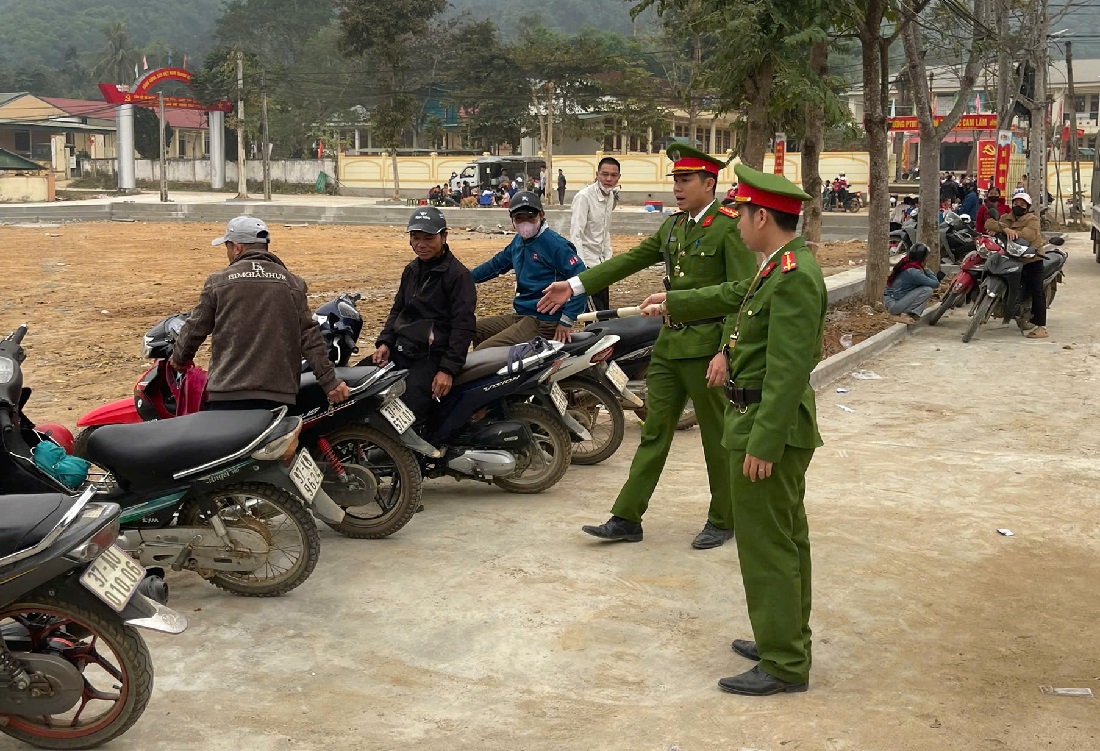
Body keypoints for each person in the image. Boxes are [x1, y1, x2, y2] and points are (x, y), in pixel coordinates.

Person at [638, 162, 826, 697]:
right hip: (762, 421)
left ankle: (785, 662)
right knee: (784, 541)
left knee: (769, 546)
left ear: (761, 216)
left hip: (770, 428)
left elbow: (791, 370)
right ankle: (780, 639)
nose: (735, 221)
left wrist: (764, 443)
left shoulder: (793, 276)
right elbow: (733, 295)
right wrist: (672, 300)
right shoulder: (781, 265)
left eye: (740, 212)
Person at [538, 143, 757, 549]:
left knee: (716, 437)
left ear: (710, 183)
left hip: (708, 348)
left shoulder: (729, 227)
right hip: (670, 346)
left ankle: (724, 517)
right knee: (654, 432)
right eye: (675, 179)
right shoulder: (674, 227)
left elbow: (742, 294)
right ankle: (627, 517)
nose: (677, 186)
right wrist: (573, 284)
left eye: (686, 179)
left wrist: (726, 352)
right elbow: (630, 260)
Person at [170, 216, 350, 410]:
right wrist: (329, 382)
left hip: (228, 392)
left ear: (237, 247)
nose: (228, 254)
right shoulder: (292, 283)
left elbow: (195, 327)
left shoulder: (218, 282)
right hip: (279, 395)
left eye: (228, 248)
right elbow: (310, 336)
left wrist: (180, 359)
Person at [372, 208, 477, 422]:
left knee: (404, 414)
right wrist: (385, 342)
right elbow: (398, 309)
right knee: (359, 388)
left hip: (431, 358)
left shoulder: (459, 276)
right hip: (401, 351)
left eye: (429, 238)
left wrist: (447, 369)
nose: (421, 245)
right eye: (415, 238)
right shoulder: (411, 270)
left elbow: (463, 327)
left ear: (444, 236)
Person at [471, 191, 587, 348]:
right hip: (522, 314)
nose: (525, 223)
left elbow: (582, 278)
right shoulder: (519, 242)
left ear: (541, 215)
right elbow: (495, 265)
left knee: (485, 350)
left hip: (545, 321)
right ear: (512, 219)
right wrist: (465, 278)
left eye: (530, 217)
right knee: (475, 331)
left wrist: (567, 319)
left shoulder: (555, 245)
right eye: (519, 218)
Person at [984, 192, 1049, 338]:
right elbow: (989, 223)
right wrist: (1004, 228)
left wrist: (1006, 230)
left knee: (1036, 290)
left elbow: (1028, 235)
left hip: (1031, 259)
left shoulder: (1032, 219)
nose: (1018, 206)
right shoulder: (1006, 217)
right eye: (1016, 203)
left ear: (1027, 207)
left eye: (1022, 204)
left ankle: (1041, 327)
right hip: (1012, 257)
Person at [570, 156, 621, 311]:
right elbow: (576, 234)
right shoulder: (584, 197)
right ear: (597, 174)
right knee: (593, 314)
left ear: (618, 177)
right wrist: (581, 267)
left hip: (601, 265)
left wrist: (608, 259)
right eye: (604, 174)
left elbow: (605, 231)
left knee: (604, 310)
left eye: (613, 175)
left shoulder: (611, 196)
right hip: (587, 264)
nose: (608, 179)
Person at [883, 244, 943, 323]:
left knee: (924, 289)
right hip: (894, 305)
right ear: (923, 258)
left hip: (890, 301)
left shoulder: (906, 263)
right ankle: (906, 314)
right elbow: (935, 284)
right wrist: (926, 269)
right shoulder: (914, 272)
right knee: (927, 290)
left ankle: (912, 313)